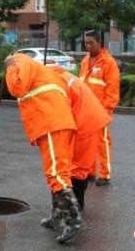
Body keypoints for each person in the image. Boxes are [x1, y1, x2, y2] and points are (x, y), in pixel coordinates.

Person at [4, 53, 83, 243]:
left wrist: (9, 66)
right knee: (60, 172)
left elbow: (16, 88)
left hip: (51, 124)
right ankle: (57, 217)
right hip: (61, 123)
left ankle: (74, 221)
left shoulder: (20, 61)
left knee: (56, 174)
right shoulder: (42, 71)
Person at [47, 65, 111, 212]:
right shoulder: (59, 77)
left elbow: (61, 111)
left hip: (86, 122)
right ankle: (73, 207)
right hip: (88, 117)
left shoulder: (55, 83)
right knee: (76, 165)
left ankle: (76, 209)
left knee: (77, 167)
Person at [79, 30, 120, 186]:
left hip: (101, 111)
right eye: (86, 43)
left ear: (99, 42)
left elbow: (113, 91)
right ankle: (90, 172)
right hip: (86, 110)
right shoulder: (85, 61)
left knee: (102, 142)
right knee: (87, 142)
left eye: (91, 43)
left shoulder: (108, 62)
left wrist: (107, 110)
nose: (88, 46)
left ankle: (105, 174)